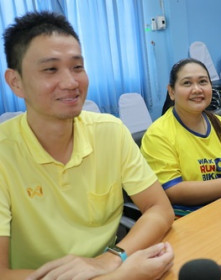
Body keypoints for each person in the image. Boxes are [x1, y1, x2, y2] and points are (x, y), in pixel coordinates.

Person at [0, 11, 174, 280]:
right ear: (16, 82)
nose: (71, 83)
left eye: (77, 67)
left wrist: (110, 259)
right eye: (50, 69)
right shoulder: (3, 152)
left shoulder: (110, 132)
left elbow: (160, 209)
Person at [140, 58, 221, 217]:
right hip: (186, 218)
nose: (197, 89)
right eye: (187, 83)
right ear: (171, 91)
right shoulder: (158, 134)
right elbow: (172, 191)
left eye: (203, 82)